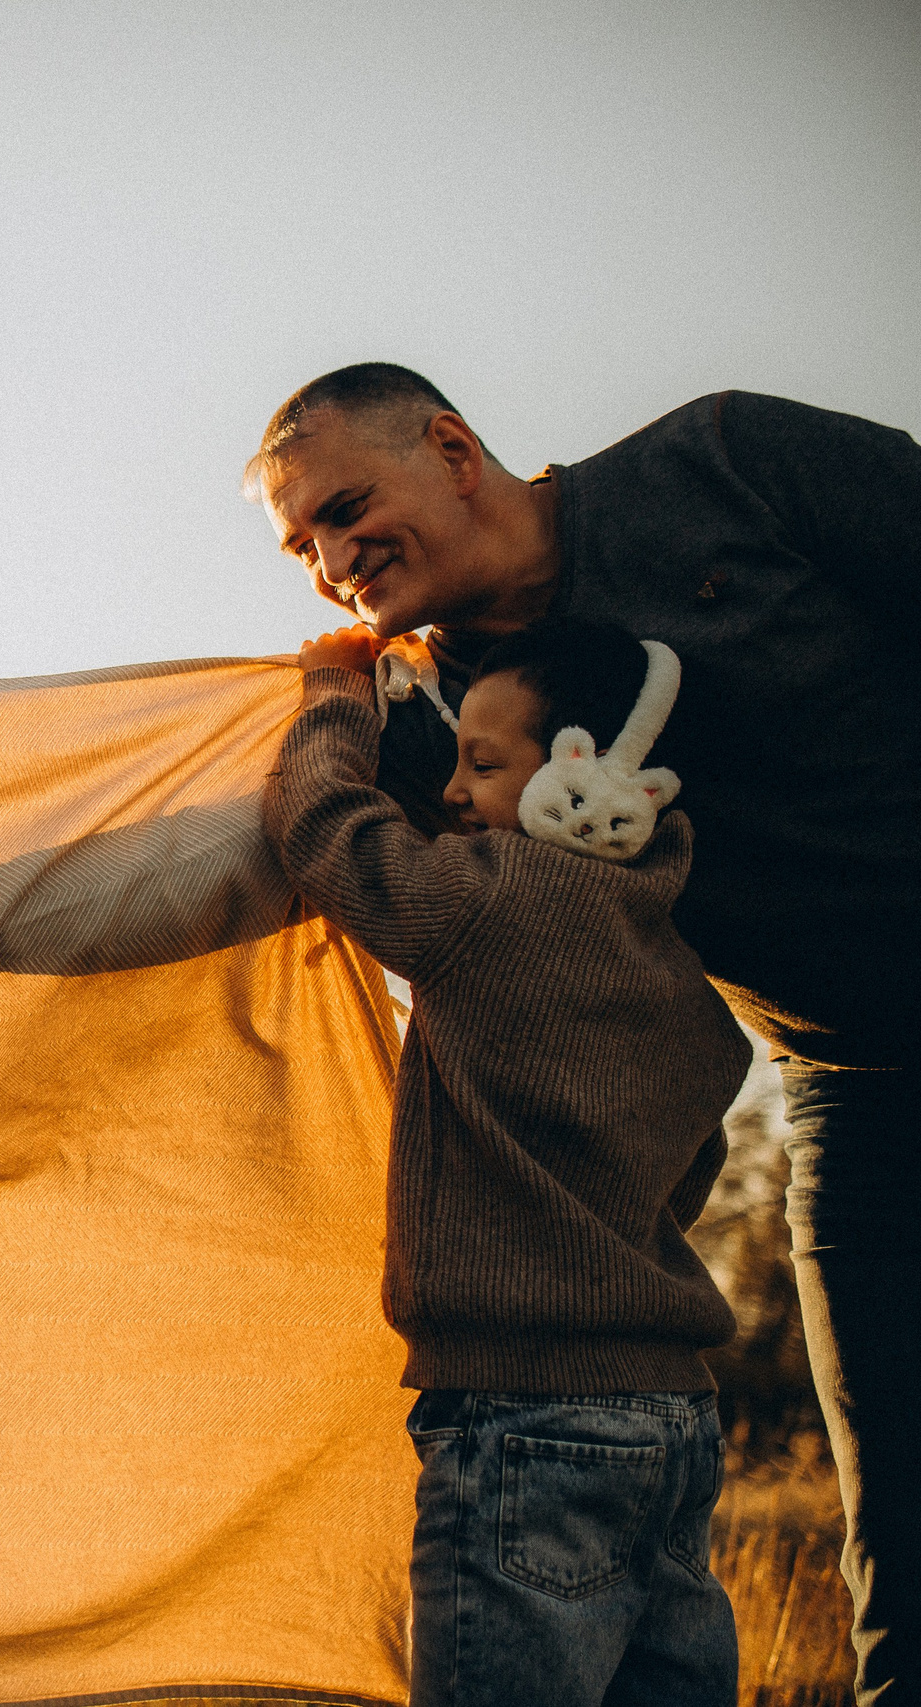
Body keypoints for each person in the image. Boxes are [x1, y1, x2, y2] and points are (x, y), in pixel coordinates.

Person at [251, 364, 919, 1702]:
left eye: (343, 506)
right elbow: (232, 854)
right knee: (901, 1545)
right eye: (299, 543)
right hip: (857, 1088)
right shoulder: (450, 731)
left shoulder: (728, 461)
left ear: (451, 446)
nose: (329, 559)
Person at [266, 615, 748, 1706]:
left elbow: (325, 833)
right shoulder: (687, 982)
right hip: (674, 1420)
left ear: (590, 772)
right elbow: (688, 1170)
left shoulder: (484, 898)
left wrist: (331, 698)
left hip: (521, 1418)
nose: (448, 793)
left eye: (482, 765)